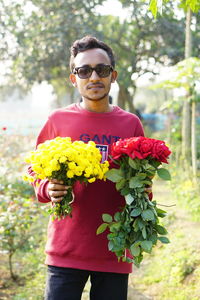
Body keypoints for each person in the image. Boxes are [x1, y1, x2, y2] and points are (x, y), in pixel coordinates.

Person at [30, 36, 146, 300]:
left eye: (101, 70)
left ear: (113, 75)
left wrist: (144, 190)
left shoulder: (130, 124)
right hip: (65, 250)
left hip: (113, 250)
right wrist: (48, 187)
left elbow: (142, 178)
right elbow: (34, 168)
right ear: (74, 78)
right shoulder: (58, 120)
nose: (93, 76)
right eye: (84, 70)